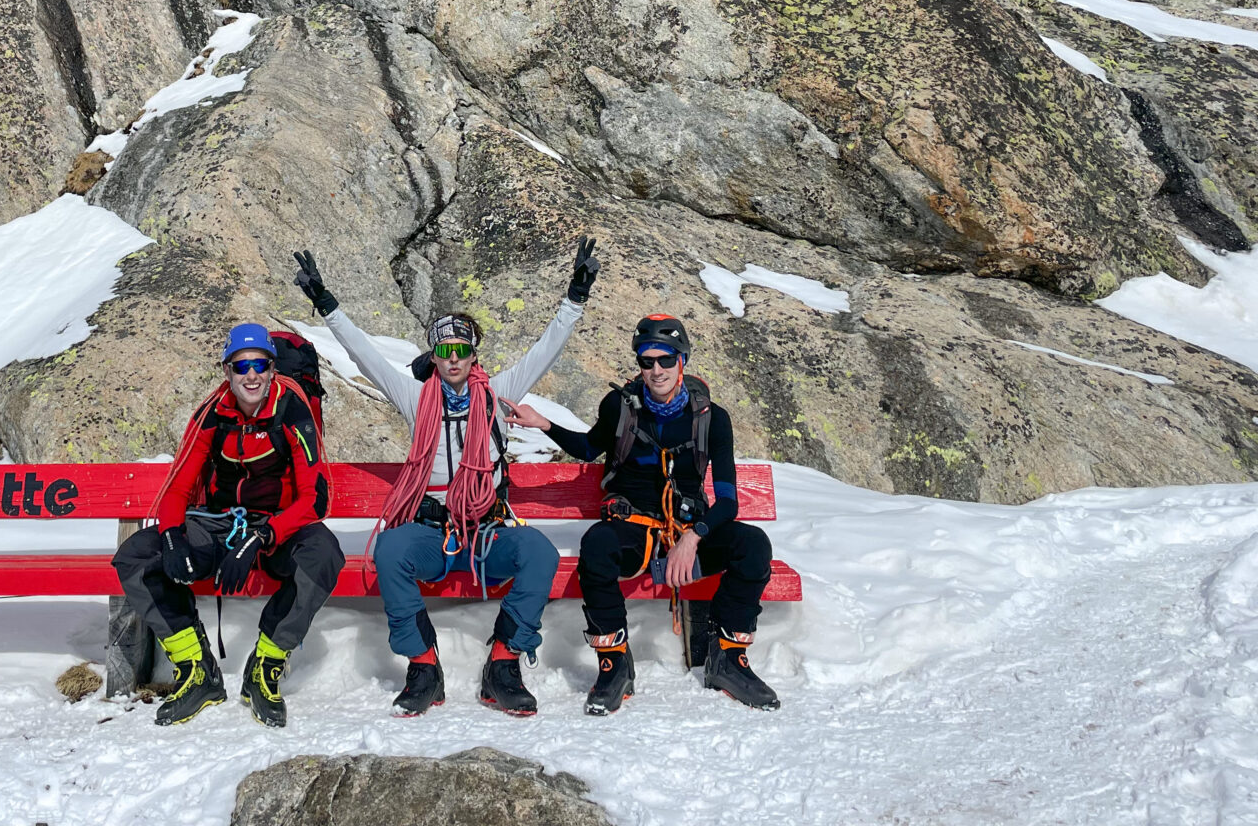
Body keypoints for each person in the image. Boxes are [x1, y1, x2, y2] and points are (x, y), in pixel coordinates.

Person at [292, 239, 601, 717]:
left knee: (538, 553)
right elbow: (365, 357)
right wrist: (326, 304)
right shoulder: (416, 400)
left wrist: (574, 299)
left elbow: (545, 352)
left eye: (461, 349)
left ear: (473, 355)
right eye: (444, 350)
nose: (453, 358)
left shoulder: (498, 394)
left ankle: (503, 663)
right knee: (391, 550)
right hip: (431, 533)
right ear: (433, 357)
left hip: (488, 530)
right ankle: (423, 665)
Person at [507, 315, 779, 715]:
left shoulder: (711, 419)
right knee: (597, 545)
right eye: (647, 361)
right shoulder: (620, 407)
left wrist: (693, 537)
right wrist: (545, 424)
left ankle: (728, 660)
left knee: (753, 546)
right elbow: (587, 448)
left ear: (682, 360)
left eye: (666, 360)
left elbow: (728, 502)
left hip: (687, 534)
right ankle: (614, 663)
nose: (656, 370)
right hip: (633, 531)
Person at [112, 322, 344, 729]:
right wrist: (171, 537)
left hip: (277, 528)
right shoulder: (212, 414)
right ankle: (196, 671)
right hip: (219, 524)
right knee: (136, 556)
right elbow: (178, 487)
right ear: (227, 372)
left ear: (272, 369)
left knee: (324, 555)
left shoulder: (291, 409)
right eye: (241, 366)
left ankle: (265, 668)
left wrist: (262, 536)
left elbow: (315, 499)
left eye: (259, 364)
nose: (251, 374)